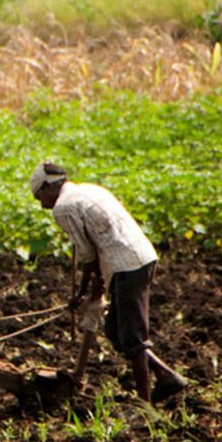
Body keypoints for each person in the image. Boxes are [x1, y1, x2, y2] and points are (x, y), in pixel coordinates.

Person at [29, 161, 188, 403]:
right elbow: (94, 246)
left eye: (39, 197)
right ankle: (165, 375)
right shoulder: (91, 190)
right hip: (141, 257)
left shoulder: (63, 207)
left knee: (133, 340)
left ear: (47, 187)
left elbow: (87, 254)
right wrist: (89, 289)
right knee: (115, 332)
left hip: (126, 265)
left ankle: (145, 406)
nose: (41, 205)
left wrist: (86, 291)